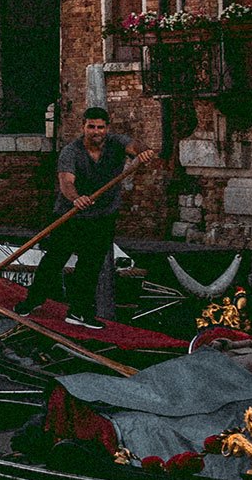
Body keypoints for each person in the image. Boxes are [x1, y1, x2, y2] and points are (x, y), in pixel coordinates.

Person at [20, 106, 153, 328]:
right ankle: (33, 301)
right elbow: (66, 182)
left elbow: (137, 147)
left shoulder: (117, 143)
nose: (96, 131)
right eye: (91, 127)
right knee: (55, 259)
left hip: (102, 217)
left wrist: (145, 152)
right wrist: (76, 198)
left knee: (90, 266)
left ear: (106, 129)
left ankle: (79, 312)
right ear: (84, 127)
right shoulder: (71, 151)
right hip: (71, 214)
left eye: (100, 127)